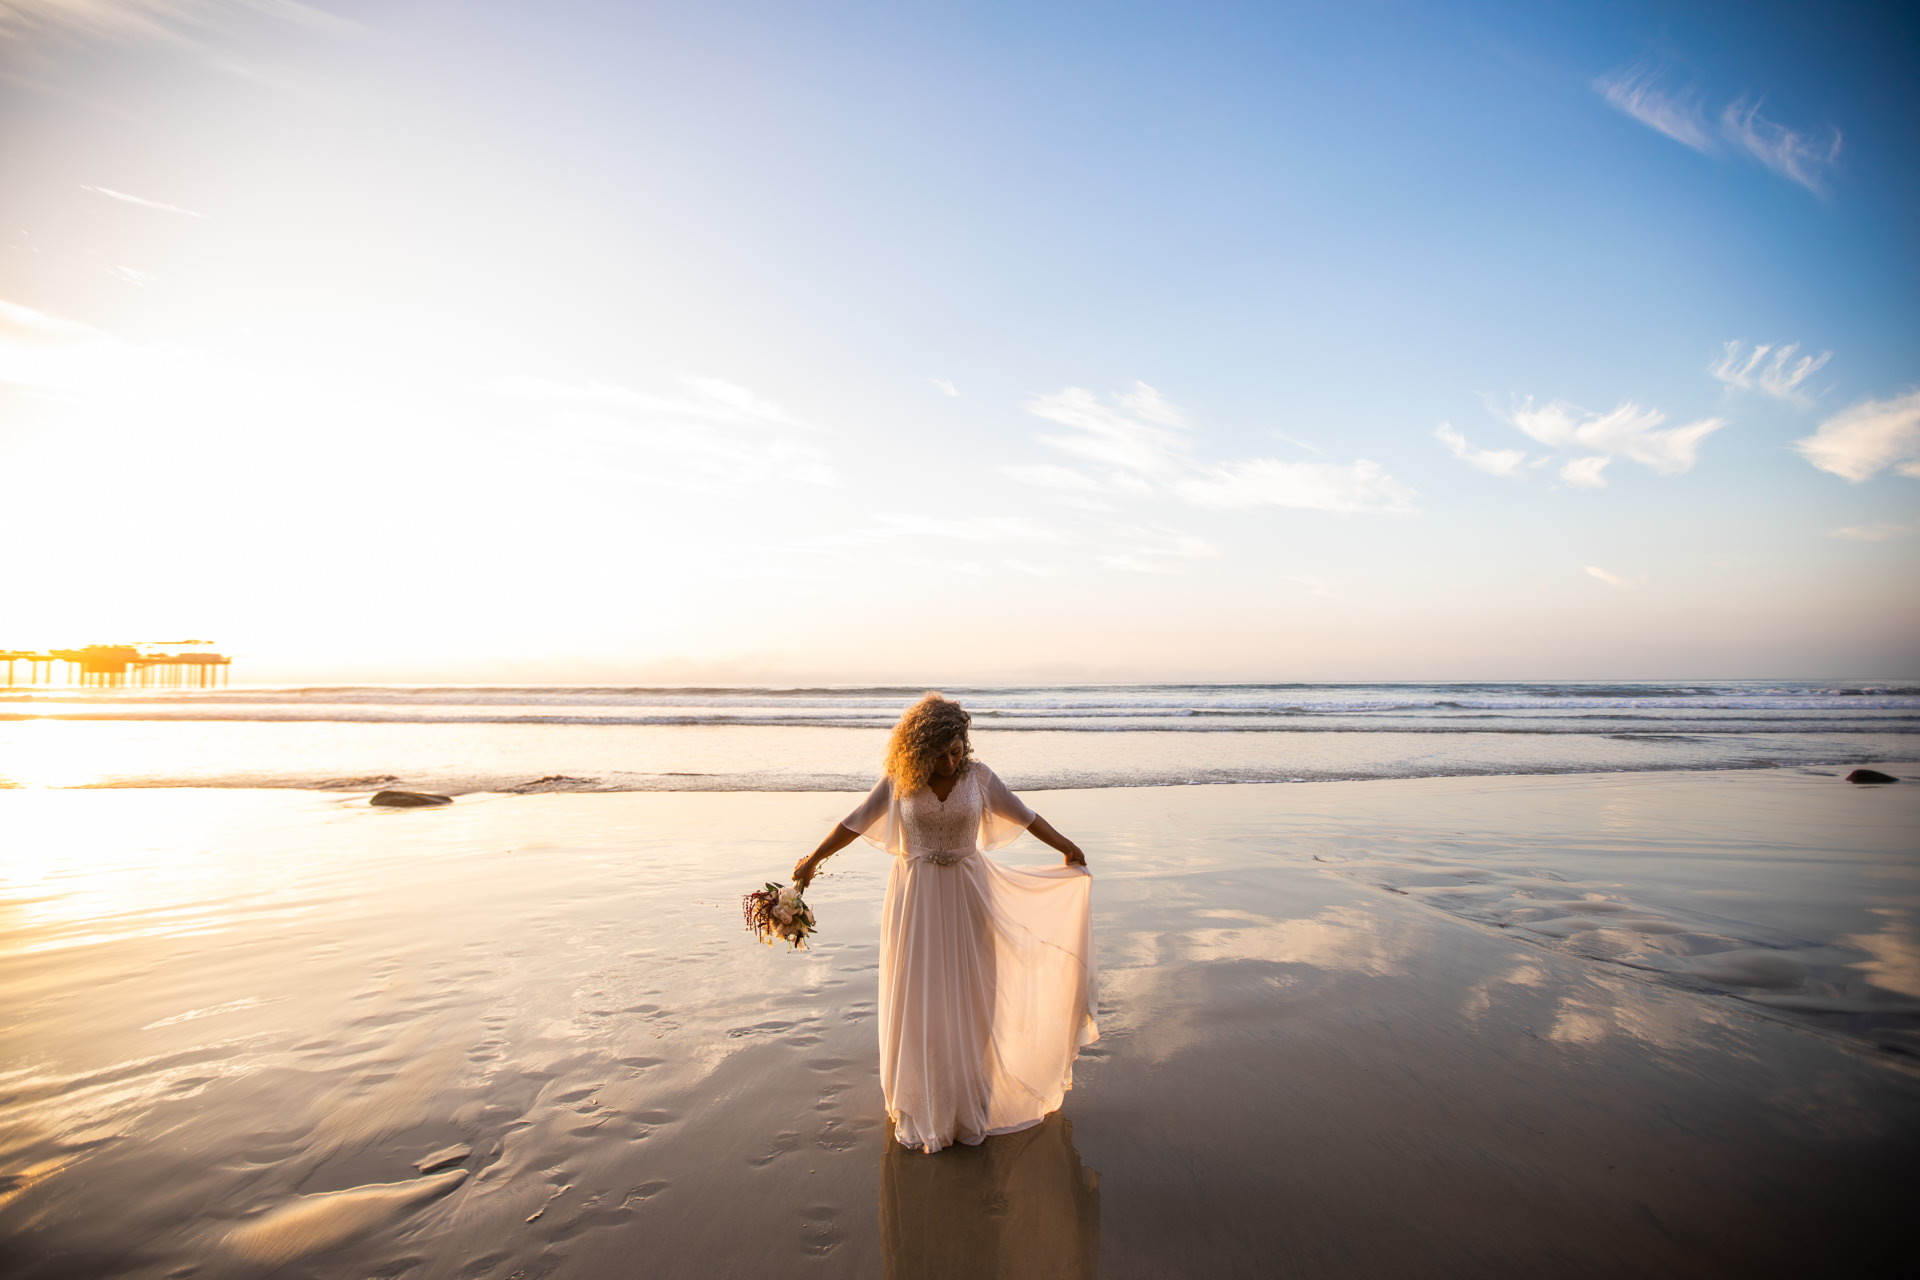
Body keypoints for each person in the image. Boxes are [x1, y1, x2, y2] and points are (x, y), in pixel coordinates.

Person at [793, 692, 1098, 1153]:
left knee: (976, 993)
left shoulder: (979, 777)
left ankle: (968, 1100)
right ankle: (925, 1101)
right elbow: (855, 821)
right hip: (915, 900)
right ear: (921, 749)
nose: (952, 761)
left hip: (970, 895)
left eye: (958, 750)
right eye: (942, 753)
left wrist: (1066, 845)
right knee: (922, 996)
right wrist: (813, 858)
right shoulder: (899, 780)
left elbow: (1026, 815)